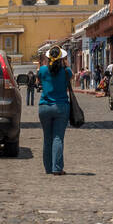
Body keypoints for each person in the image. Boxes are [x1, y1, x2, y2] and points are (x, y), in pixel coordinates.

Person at [38, 46, 73, 174]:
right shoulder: (66, 71)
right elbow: (72, 76)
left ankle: (48, 168)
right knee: (58, 137)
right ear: (62, 58)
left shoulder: (42, 70)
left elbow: (39, 78)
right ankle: (57, 168)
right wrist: (65, 63)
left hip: (45, 107)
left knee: (47, 137)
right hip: (61, 107)